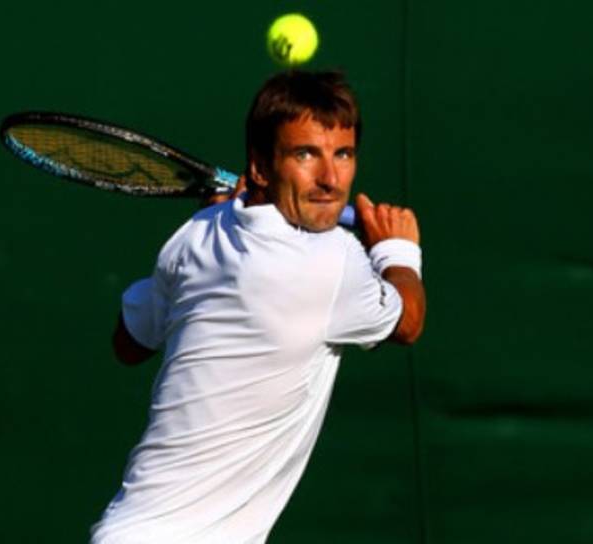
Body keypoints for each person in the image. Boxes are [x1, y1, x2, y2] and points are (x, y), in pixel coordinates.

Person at [91, 70, 426, 544]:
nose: (330, 180)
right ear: (261, 168)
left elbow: (129, 345)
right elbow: (408, 321)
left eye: (343, 154)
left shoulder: (193, 237)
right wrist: (398, 251)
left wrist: (215, 226)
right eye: (305, 154)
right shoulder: (332, 260)